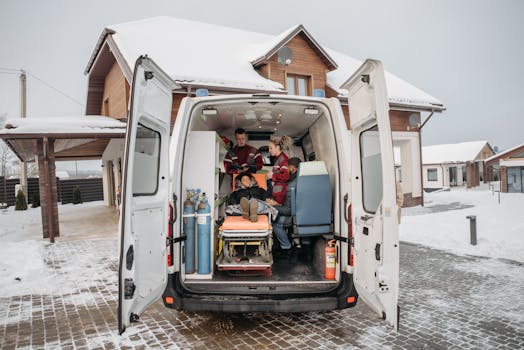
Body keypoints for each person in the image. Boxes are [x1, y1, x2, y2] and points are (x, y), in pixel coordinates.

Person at [265, 157, 301, 256]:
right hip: (296, 210)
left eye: (286, 169)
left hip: (293, 214)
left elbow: (288, 210)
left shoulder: (291, 186)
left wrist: (272, 206)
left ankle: (286, 248)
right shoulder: (297, 180)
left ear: (292, 169)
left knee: (275, 222)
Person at [266, 135, 292, 205]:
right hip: (277, 191)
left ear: (277, 147)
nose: (269, 151)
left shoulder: (283, 159)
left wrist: (272, 176)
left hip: (281, 193)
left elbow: (286, 176)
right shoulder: (278, 159)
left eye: (271, 148)